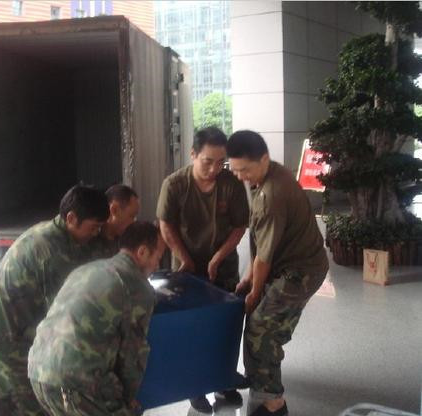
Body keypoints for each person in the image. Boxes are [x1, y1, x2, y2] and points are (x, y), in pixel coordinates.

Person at [0, 184, 110, 416]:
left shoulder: (56, 234)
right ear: (71, 218)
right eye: (94, 227)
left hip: (10, 334)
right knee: (29, 407)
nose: (96, 233)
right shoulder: (52, 252)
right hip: (5, 341)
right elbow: (65, 315)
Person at [226, 130, 329, 416]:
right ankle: (261, 382)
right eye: (235, 170)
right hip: (288, 264)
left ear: (264, 159)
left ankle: (273, 403)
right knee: (262, 322)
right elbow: (259, 243)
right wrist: (248, 279)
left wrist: (255, 291)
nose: (241, 176)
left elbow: (264, 257)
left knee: (261, 328)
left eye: (245, 170)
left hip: (301, 271)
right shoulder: (266, 176)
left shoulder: (272, 194)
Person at [28, 221, 166, 416]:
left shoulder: (86, 269)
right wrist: (128, 399)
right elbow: (133, 355)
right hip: (75, 382)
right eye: (158, 257)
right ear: (142, 252)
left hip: (38, 371)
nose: (157, 265)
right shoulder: (137, 287)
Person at [156, 126, 249, 412]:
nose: (213, 169)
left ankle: (223, 381)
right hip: (187, 268)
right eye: (207, 161)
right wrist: (184, 258)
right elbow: (166, 225)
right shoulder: (174, 185)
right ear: (193, 154)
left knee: (225, 326)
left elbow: (239, 226)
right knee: (192, 329)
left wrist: (218, 257)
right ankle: (194, 387)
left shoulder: (231, 185)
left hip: (223, 267)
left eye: (220, 163)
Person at [87, 184, 140, 260]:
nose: (134, 222)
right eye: (132, 216)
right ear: (114, 209)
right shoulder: (88, 241)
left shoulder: (127, 243)